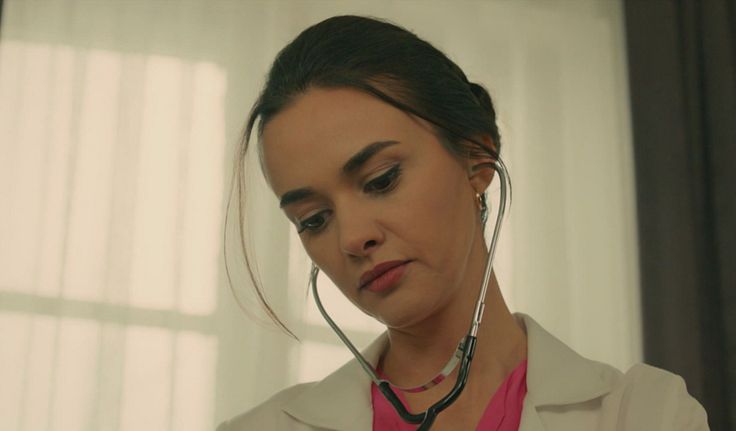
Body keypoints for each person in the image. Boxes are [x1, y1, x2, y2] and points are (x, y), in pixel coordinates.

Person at [218, 15, 709, 431]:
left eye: (382, 180)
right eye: (313, 219)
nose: (353, 237)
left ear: (476, 159)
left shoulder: (643, 414)